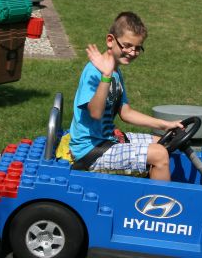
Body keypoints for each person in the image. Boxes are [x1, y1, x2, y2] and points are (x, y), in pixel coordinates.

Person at [69, 12, 183, 181]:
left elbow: (126, 112)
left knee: (162, 142)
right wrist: (106, 76)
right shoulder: (95, 72)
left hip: (108, 139)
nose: (132, 52)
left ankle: (150, 187)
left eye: (137, 48)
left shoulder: (116, 72)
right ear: (110, 40)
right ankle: (160, 198)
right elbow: (95, 113)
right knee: (159, 154)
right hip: (90, 151)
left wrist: (164, 124)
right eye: (127, 45)